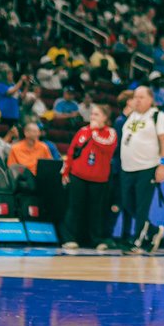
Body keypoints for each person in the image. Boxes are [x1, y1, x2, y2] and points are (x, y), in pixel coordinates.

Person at [119, 84, 164, 253]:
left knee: (142, 206)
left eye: (141, 97)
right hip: (127, 168)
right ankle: (153, 230)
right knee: (127, 204)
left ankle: (138, 240)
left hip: (147, 167)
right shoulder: (131, 115)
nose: (137, 100)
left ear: (150, 100)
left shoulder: (157, 116)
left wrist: (163, 165)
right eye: (135, 97)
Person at [61, 103, 118, 251]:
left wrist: (95, 132)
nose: (93, 117)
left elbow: (108, 146)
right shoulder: (82, 131)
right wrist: (66, 171)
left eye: (97, 114)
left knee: (96, 211)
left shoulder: (110, 133)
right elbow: (72, 152)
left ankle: (96, 239)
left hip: (99, 179)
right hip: (78, 175)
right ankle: (70, 239)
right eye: (92, 114)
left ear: (105, 117)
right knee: (74, 208)